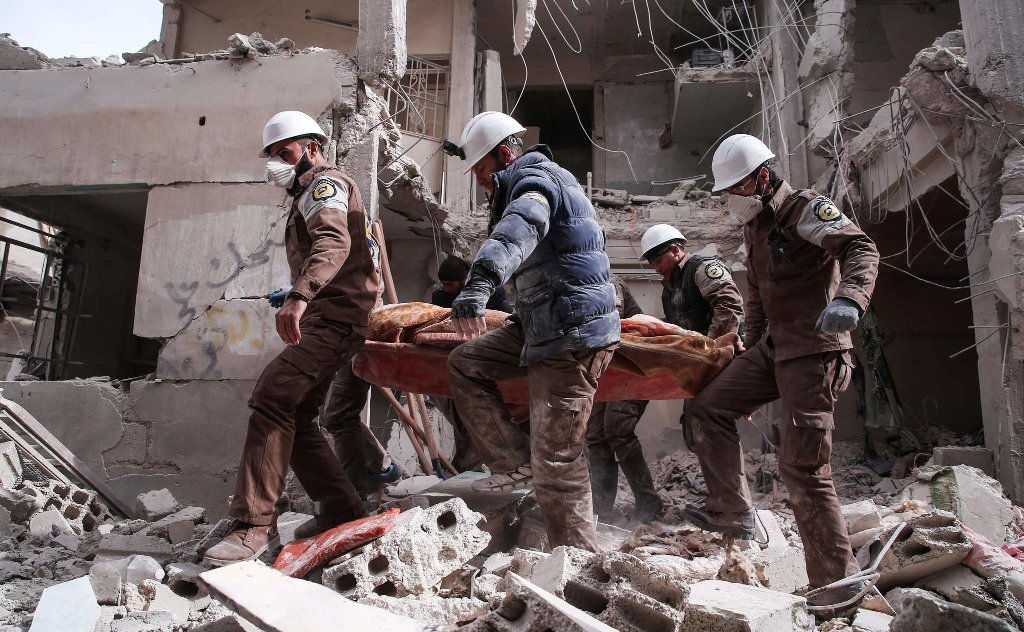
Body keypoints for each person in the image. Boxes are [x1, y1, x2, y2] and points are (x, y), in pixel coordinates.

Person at [683, 133, 879, 613]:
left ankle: (839, 587)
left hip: (814, 352)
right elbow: (757, 292)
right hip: (774, 350)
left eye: (736, 189)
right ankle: (734, 517)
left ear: (763, 177)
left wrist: (849, 299)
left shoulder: (804, 211)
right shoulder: (756, 226)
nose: (730, 200)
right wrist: (749, 338)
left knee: (804, 469)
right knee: (707, 408)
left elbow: (861, 249)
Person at [204, 111, 379, 564]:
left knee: (272, 395)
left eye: (285, 153)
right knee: (297, 413)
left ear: (313, 148)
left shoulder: (325, 185)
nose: (277, 164)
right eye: (273, 157)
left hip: (335, 319)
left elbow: (334, 243)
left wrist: (300, 296)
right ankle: (341, 510)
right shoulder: (305, 193)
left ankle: (253, 527)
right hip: (332, 315)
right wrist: (300, 290)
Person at [443, 111, 620, 551]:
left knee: (558, 462)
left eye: (482, 169)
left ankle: (579, 567)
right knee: (467, 362)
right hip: (543, 325)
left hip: (571, 334)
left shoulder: (536, 181)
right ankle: (514, 463)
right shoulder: (521, 183)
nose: (480, 180)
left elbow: (522, 228)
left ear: (504, 154)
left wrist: (481, 281)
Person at [585, 275, 662, 525]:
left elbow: (610, 321)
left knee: (617, 430)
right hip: (606, 371)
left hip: (633, 365)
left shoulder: (605, 281)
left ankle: (649, 500)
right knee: (595, 436)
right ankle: (601, 510)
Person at [428, 254, 512, 472]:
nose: (446, 288)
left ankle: (467, 470)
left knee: (475, 421)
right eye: (443, 284)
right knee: (465, 422)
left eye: (450, 283)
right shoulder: (440, 296)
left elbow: (504, 320)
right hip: (447, 366)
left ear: (464, 279)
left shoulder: (492, 293)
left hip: (481, 364)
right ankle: (466, 471)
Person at [639, 224, 743, 339]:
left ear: (674, 250)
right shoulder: (669, 287)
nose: (657, 269)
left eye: (658, 261)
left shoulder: (702, 268)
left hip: (722, 351)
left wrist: (712, 346)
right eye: (653, 265)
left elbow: (729, 305)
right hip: (696, 352)